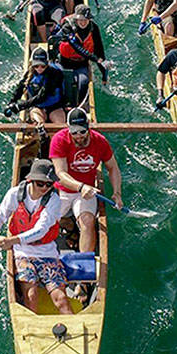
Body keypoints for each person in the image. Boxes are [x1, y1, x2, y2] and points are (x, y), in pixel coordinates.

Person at [0, 158, 71, 315]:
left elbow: (40, 230)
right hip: (23, 252)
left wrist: (11, 241)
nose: (45, 188)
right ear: (30, 180)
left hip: (47, 251)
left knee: (60, 298)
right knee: (31, 295)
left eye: (49, 184)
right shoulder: (15, 194)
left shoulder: (54, 200)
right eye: (40, 184)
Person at [50, 108, 122, 256]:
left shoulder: (100, 141)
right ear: (68, 128)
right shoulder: (59, 139)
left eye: (82, 131)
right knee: (47, 222)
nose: (79, 136)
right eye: (74, 132)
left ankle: (84, 264)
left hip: (85, 193)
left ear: (88, 126)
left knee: (88, 222)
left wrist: (117, 193)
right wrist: (80, 186)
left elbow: (113, 168)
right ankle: (68, 225)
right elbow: (61, 173)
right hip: (63, 190)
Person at [48, 5, 110, 109]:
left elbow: (99, 50)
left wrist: (104, 75)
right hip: (64, 62)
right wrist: (96, 59)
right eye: (80, 20)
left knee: (84, 82)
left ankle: (79, 107)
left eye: (86, 20)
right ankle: (62, 106)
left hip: (81, 63)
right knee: (60, 83)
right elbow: (77, 47)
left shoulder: (94, 28)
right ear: (76, 19)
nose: (83, 22)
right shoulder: (67, 28)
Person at [4, 47, 68, 124]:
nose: (39, 69)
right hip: (37, 107)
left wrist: (20, 106)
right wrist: (12, 102)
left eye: (43, 66)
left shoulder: (55, 74)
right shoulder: (29, 73)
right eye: (36, 66)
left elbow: (42, 96)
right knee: (39, 125)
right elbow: (20, 88)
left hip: (55, 106)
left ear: (47, 64)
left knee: (59, 125)